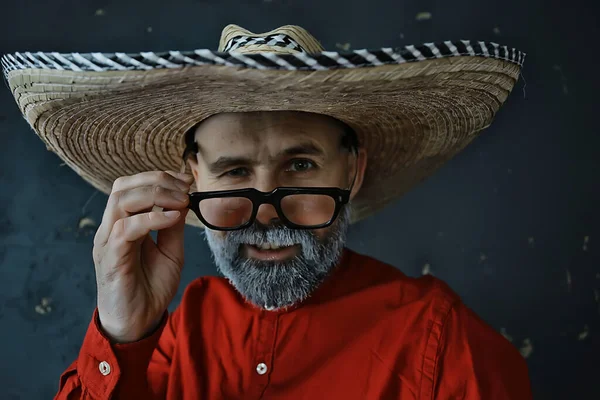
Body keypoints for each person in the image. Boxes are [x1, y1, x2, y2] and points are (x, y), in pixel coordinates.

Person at [2, 24, 531, 399]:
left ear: (351, 171)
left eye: (299, 165)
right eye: (233, 172)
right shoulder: (175, 337)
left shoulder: (445, 348)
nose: (266, 215)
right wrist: (121, 332)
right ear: (192, 178)